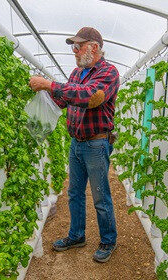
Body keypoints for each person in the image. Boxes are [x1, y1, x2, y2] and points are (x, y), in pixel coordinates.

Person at [29, 27, 119, 263]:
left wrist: (50, 85)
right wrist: (39, 95)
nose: (75, 51)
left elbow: (88, 95)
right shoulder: (76, 74)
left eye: (78, 47)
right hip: (76, 143)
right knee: (74, 193)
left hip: (97, 144)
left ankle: (108, 240)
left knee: (100, 196)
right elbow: (63, 99)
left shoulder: (108, 72)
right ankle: (77, 235)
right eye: (73, 47)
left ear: (94, 47)